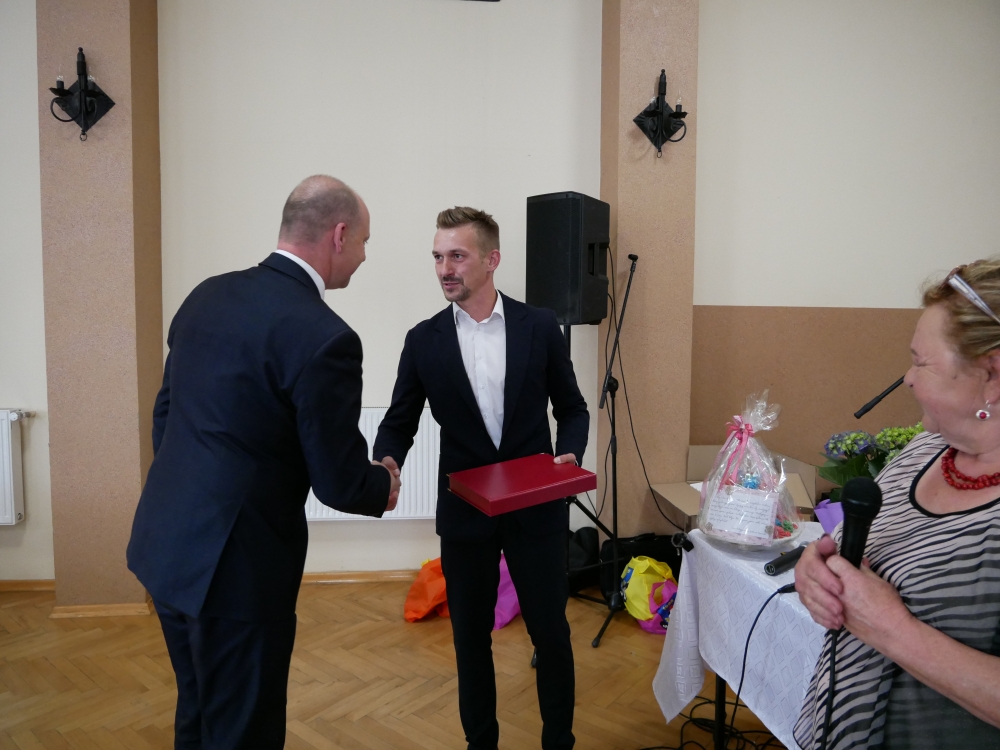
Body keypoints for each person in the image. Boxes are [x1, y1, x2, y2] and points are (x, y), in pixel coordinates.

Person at [126, 175, 400, 749]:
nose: (364, 255)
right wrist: (381, 484)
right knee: (243, 731)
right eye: (364, 241)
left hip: (166, 545)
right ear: (338, 235)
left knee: (198, 711)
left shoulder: (207, 295)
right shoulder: (325, 337)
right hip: (238, 573)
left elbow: (166, 415)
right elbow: (338, 482)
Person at [373, 207, 588, 750]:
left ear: (492, 260)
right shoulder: (423, 340)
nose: (445, 268)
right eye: (438, 257)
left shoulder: (540, 325)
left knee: (551, 633)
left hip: (535, 509)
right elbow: (399, 420)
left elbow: (573, 408)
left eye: (457, 256)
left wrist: (568, 453)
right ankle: (480, 743)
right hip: (465, 513)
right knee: (470, 640)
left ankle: (559, 742)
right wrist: (387, 461)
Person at [794, 259, 1000, 749]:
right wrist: (816, 568)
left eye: (921, 362)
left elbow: (881, 616)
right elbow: (856, 552)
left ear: (993, 376)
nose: (908, 379)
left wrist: (892, 630)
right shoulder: (924, 450)